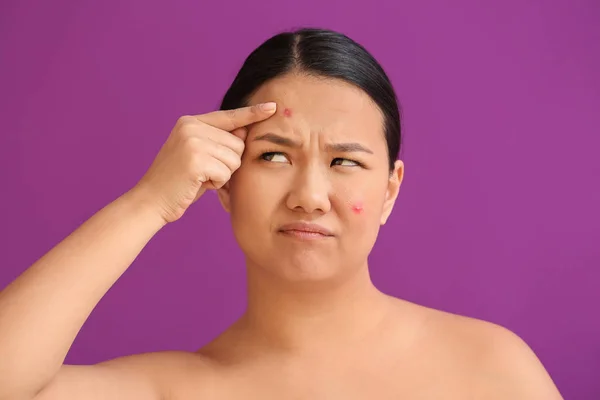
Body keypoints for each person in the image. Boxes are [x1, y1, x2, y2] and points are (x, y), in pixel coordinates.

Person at [0, 28, 563, 400]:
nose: (309, 195)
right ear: (222, 182)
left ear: (391, 190)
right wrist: (147, 201)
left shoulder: (491, 367)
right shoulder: (165, 390)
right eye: (273, 155)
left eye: (344, 161)